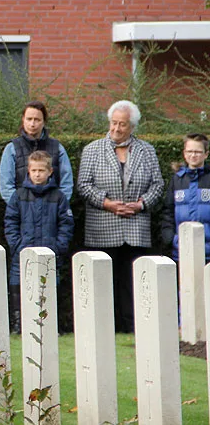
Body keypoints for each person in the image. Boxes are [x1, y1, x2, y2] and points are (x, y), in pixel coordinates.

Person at [78, 100, 164, 333]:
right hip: (102, 228)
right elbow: (84, 185)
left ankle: (133, 329)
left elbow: (157, 185)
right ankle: (104, 329)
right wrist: (108, 204)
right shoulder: (92, 150)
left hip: (136, 227)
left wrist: (140, 205)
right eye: (114, 123)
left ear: (132, 126)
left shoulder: (147, 150)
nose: (116, 128)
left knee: (133, 282)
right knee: (104, 282)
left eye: (122, 124)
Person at [3, 150, 74, 330]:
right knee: (18, 286)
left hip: (50, 252)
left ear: (50, 171)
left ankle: (50, 325)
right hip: (22, 252)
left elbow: (66, 224)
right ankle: (18, 324)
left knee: (49, 287)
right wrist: (17, 245)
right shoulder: (18, 195)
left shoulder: (59, 197)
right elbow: (10, 222)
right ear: (28, 170)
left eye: (41, 170)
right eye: (34, 170)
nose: (37, 174)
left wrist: (58, 247)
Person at [0, 101, 74, 203]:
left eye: (37, 119)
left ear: (44, 122)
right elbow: (6, 186)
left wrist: (58, 205)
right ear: (23, 120)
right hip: (21, 209)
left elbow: (66, 183)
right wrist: (20, 206)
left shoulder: (58, 148)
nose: (32, 124)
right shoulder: (11, 148)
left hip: (53, 209)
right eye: (29, 119)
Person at [161, 133, 210, 261]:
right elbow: (168, 213)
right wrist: (171, 239)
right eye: (189, 151)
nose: (193, 155)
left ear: (206, 154)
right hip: (182, 251)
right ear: (184, 153)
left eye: (197, 152)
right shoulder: (177, 180)